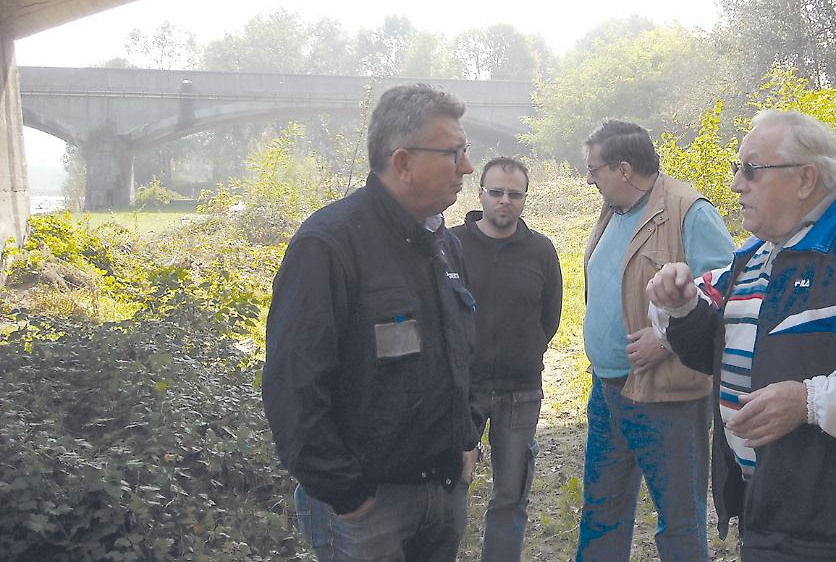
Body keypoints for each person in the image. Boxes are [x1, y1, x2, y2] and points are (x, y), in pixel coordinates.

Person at [647, 109, 836, 561]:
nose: (736, 184)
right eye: (737, 169)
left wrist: (809, 402)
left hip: (829, 524)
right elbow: (716, 354)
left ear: (805, 179)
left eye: (750, 170)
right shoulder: (752, 258)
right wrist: (681, 307)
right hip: (766, 508)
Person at [262, 83, 481, 562]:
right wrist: (348, 494)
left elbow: (463, 350)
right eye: (454, 153)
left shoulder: (444, 243)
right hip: (367, 509)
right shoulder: (329, 245)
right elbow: (293, 388)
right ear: (402, 163)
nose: (467, 167)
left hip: (443, 492)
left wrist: (468, 440)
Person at [575, 119, 735, 562]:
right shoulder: (615, 207)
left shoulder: (689, 210)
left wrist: (666, 338)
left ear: (623, 169)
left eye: (594, 169)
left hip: (667, 399)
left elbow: (727, 290)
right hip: (606, 391)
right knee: (601, 513)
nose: (589, 179)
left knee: (679, 522)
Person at [451, 157, 563, 562]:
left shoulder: (541, 250)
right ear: (479, 193)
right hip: (461, 389)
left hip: (521, 390)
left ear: (525, 199)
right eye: (496, 192)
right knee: (449, 490)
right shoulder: (451, 245)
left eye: (515, 194)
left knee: (510, 496)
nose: (505, 201)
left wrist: (527, 351)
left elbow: (550, 316)